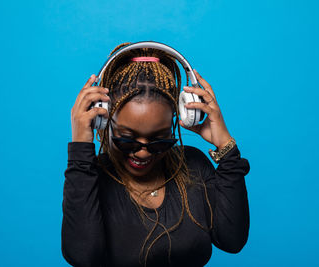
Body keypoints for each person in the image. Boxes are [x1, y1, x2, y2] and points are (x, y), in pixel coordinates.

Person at [62, 43, 250, 267]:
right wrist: (79, 150)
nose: (143, 152)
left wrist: (226, 147)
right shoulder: (92, 178)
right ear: (104, 120)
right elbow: (83, 257)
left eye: (160, 140)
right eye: (127, 139)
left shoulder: (194, 165)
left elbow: (232, 240)